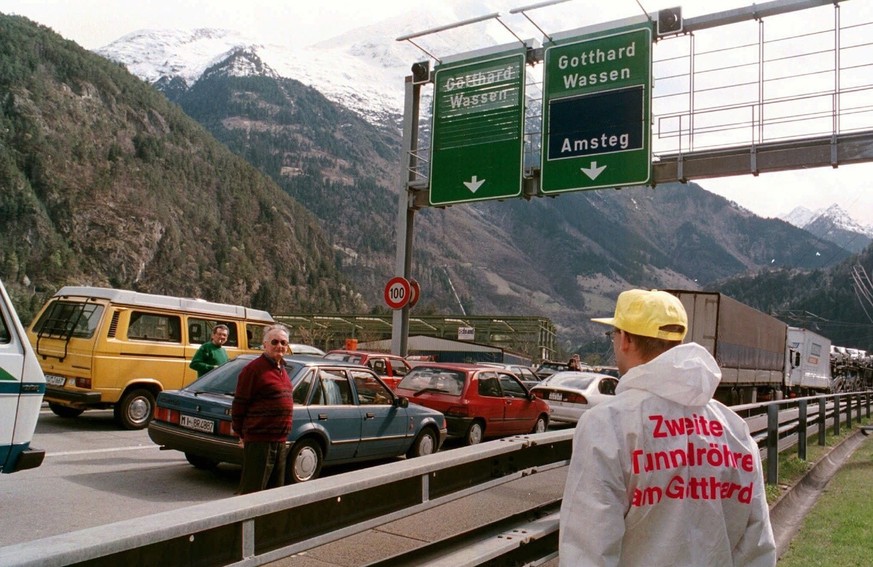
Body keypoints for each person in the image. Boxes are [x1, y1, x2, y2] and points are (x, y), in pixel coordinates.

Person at [559, 289, 776, 566]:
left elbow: (587, 548)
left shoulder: (606, 425)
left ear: (625, 339)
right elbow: (757, 545)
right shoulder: (734, 428)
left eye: (614, 334)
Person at [231, 324, 294, 494]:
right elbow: (239, 404)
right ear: (264, 344)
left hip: (280, 441)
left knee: (274, 494)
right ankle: (240, 521)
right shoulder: (253, 370)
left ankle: (269, 522)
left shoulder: (282, 369)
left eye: (283, 342)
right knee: (252, 492)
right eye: (274, 341)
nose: (279, 346)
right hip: (260, 441)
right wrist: (242, 434)